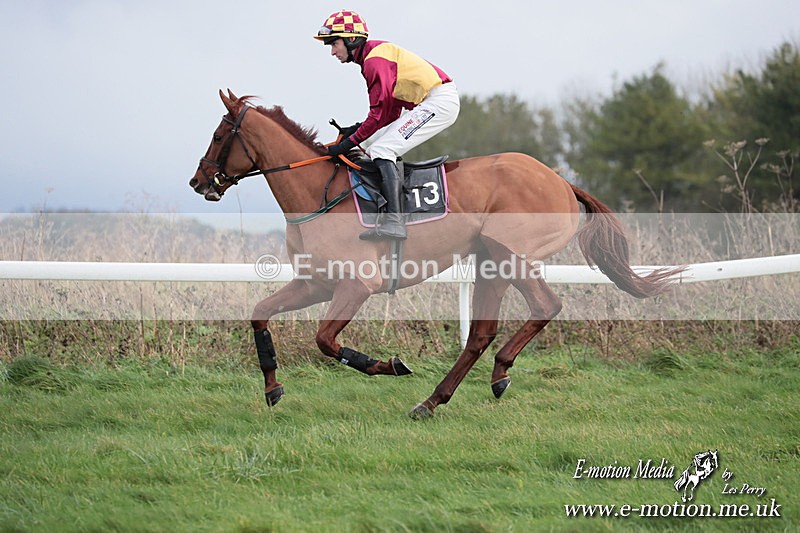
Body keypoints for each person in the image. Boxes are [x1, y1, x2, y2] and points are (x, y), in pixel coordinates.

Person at [314, 10, 460, 240]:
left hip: (438, 102)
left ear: (351, 39)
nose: (332, 51)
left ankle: (394, 222)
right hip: (433, 101)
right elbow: (389, 113)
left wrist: (347, 144)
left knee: (382, 150)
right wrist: (355, 129)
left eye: (334, 43)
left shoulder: (374, 61)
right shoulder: (372, 57)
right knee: (377, 149)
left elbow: (379, 115)